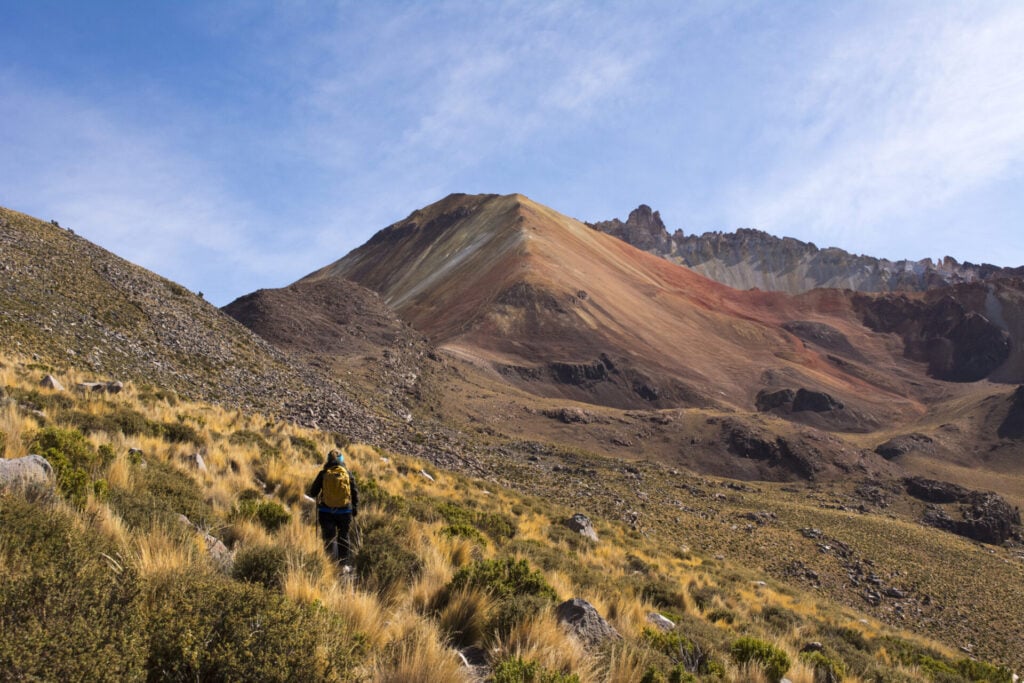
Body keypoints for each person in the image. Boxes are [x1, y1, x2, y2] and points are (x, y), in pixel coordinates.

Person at [307, 449, 359, 567]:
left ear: (328, 460)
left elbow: (313, 492)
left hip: (326, 511)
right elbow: (355, 492)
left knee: (328, 536)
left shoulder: (323, 473)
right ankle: (343, 563)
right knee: (343, 536)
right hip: (344, 511)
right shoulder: (347, 474)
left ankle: (329, 562)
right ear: (342, 460)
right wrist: (355, 508)